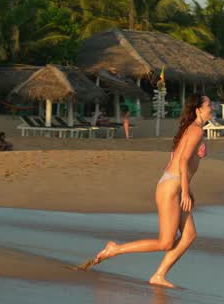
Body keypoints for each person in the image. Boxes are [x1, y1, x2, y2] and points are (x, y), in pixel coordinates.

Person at [83, 93, 211, 288]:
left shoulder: (193, 129)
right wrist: (184, 191)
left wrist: (187, 189)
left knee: (189, 235)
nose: (213, 108)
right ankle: (115, 249)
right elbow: (183, 161)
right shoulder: (195, 131)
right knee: (165, 243)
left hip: (175, 185)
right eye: (209, 105)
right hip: (172, 188)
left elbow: (177, 160)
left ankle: (159, 275)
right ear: (199, 109)